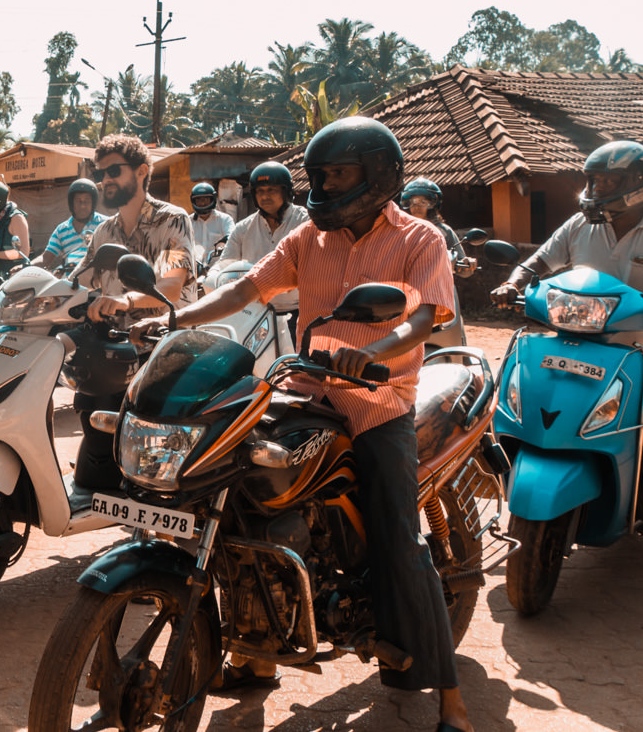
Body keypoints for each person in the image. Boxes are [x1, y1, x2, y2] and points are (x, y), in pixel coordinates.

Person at [130, 117, 475, 731]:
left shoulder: (420, 238)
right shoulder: (309, 238)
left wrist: (373, 352)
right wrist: (177, 320)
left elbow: (424, 318)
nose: (324, 185)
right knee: (241, 493)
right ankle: (259, 656)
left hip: (379, 401)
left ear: (376, 176)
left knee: (399, 536)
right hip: (304, 386)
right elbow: (246, 293)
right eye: (318, 175)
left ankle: (450, 700)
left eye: (337, 174)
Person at [490, 139, 643, 590]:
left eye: (609, 180)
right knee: (513, 404)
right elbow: (538, 261)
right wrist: (513, 282)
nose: (597, 188)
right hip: (578, 342)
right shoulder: (580, 225)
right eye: (594, 179)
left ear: (640, 185)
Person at [72, 133, 196, 491]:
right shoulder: (103, 233)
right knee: (93, 418)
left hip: (163, 348)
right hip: (113, 350)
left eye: (114, 171)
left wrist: (126, 301)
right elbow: (79, 281)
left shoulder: (173, 221)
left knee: (154, 461)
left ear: (142, 172)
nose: (106, 180)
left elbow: (171, 283)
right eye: (101, 174)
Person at [218, 160, 310, 336]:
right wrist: (213, 276)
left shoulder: (305, 222)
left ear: (286, 192)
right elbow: (226, 266)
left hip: (298, 312)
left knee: (295, 362)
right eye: (260, 191)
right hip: (255, 314)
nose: (265, 196)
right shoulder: (243, 228)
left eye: (271, 190)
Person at [401, 177, 475, 349]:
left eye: (423, 201)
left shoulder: (444, 232)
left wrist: (467, 264)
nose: (417, 205)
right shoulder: (399, 231)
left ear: (433, 204)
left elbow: (463, 268)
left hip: (439, 292)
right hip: (406, 291)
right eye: (412, 201)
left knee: (458, 342)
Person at [37, 178, 107, 271]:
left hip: (97, 281)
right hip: (70, 282)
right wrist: (26, 266)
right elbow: (46, 258)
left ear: (93, 203)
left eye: (87, 201)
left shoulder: (104, 225)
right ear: (71, 203)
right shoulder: (62, 229)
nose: (82, 205)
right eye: (78, 201)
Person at [188, 181, 234, 259]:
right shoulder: (188, 221)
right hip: (194, 266)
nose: (202, 203)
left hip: (218, 266)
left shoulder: (225, 219)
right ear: (193, 201)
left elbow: (231, 236)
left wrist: (222, 244)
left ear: (213, 199)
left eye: (205, 199)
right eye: (198, 200)